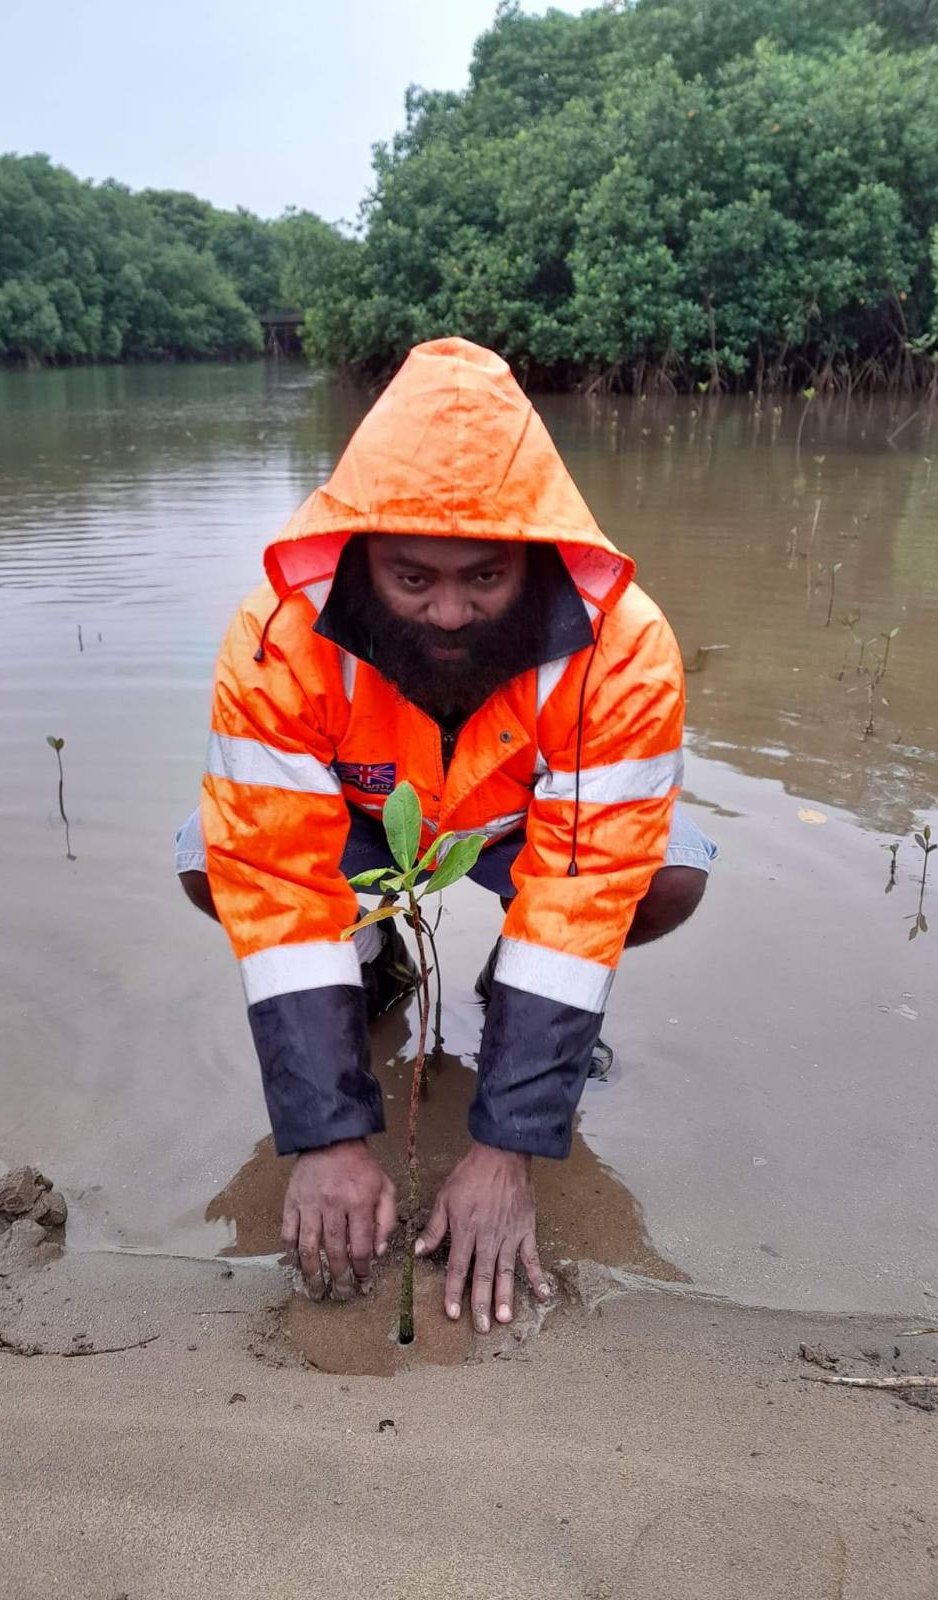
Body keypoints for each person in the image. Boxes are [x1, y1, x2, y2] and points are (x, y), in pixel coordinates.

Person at [176, 337, 714, 1335]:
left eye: (485, 576)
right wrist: (328, 1139)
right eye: (412, 577)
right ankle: (375, 965)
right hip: (365, 818)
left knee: (668, 877)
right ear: (361, 552)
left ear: (536, 557)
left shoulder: (626, 647)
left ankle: (509, 992)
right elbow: (276, 872)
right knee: (210, 864)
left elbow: (583, 886)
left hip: (521, 827)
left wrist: (508, 1147)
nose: (452, 612)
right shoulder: (277, 634)